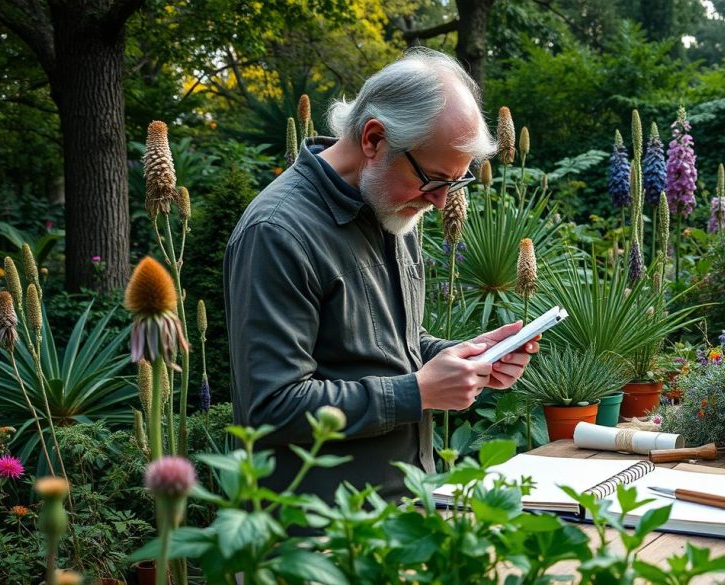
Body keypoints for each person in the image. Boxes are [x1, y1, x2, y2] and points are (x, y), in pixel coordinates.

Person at [224, 48, 538, 506]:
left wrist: (463, 357)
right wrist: (417, 392)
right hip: (316, 540)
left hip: (406, 509)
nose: (439, 201)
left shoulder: (392, 207)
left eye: (455, 182)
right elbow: (271, 407)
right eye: (433, 180)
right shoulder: (276, 231)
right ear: (374, 139)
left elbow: (390, 344)